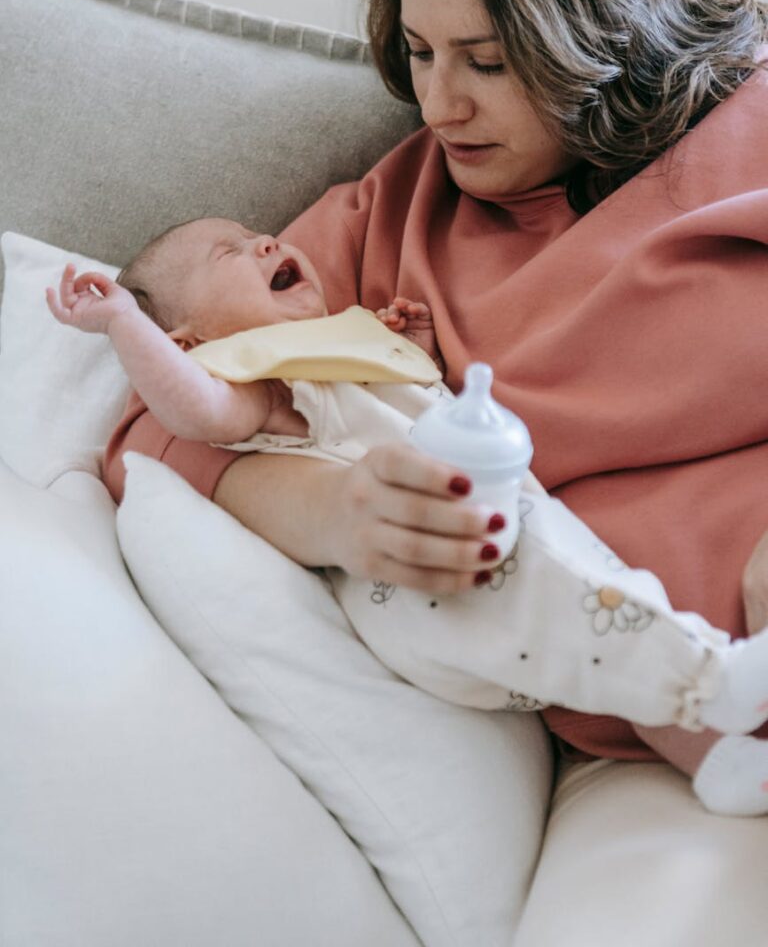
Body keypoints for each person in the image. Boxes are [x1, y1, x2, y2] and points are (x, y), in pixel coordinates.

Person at [97, 0, 768, 937]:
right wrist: (341, 513)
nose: (439, 103)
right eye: (418, 52)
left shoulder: (745, 143)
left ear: (602, 36)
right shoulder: (391, 217)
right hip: (657, 728)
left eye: (489, 63)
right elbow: (158, 419)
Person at [48, 215, 768, 814]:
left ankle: (715, 762)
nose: (265, 242)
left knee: (602, 635)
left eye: (259, 234)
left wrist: (407, 352)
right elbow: (191, 410)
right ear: (191, 345)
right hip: (427, 580)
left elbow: (403, 411)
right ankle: (717, 675)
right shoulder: (258, 383)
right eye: (230, 253)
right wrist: (121, 323)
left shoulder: (339, 354)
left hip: (484, 593)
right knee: (580, 591)